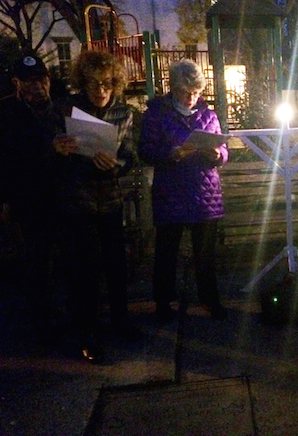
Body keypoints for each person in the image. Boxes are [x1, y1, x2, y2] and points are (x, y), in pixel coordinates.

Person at [53, 51, 141, 363]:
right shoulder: (67, 109)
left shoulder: (123, 112)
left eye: (106, 84)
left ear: (115, 83)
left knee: (116, 265)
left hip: (110, 200)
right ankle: (87, 333)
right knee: (84, 271)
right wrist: (58, 149)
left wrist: (116, 165)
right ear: (83, 84)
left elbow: (129, 154)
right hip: (78, 201)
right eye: (93, 85)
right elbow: (51, 150)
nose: (100, 91)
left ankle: (120, 320)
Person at [138, 59, 228, 323]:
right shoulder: (156, 114)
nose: (192, 98)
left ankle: (210, 300)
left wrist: (216, 153)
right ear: (174, 88)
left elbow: (224, 151)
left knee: (205, 255)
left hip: (205, 194)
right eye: (186, 92)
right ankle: (163, 302)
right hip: (172, 193)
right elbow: (145, 150)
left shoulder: (209, 115)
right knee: (167, 252)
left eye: (196, 93)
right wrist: (171, 154)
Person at [0, 55, 62, 342]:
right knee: (37, 263)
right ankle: (44, 322)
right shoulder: (7, 113)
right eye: (29, 81)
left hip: (62, 197)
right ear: (17, 83)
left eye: (41, 79)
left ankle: (64, 315)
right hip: (28, 201)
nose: (37, 86)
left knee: (64, 260)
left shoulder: (61, 109)